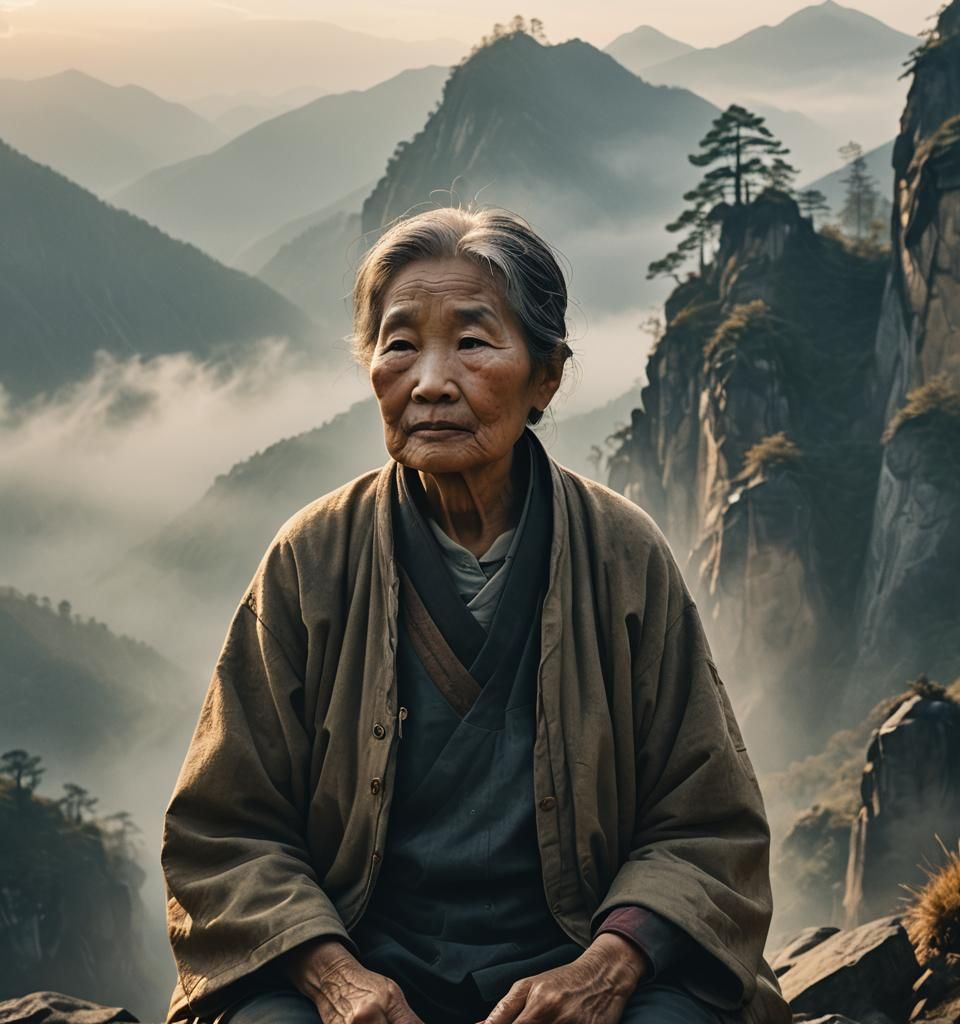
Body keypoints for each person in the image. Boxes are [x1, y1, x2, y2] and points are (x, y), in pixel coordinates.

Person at [160, 206, 791, 1024]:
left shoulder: (621, 556)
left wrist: (607, 968)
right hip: (363, 960)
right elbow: (223, 832)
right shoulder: (311, 559)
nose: (429, 381)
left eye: (471, 341)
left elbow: (708, 822)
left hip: (569, 959)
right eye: (398, 344)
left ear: (546, 375)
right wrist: (333, 979)